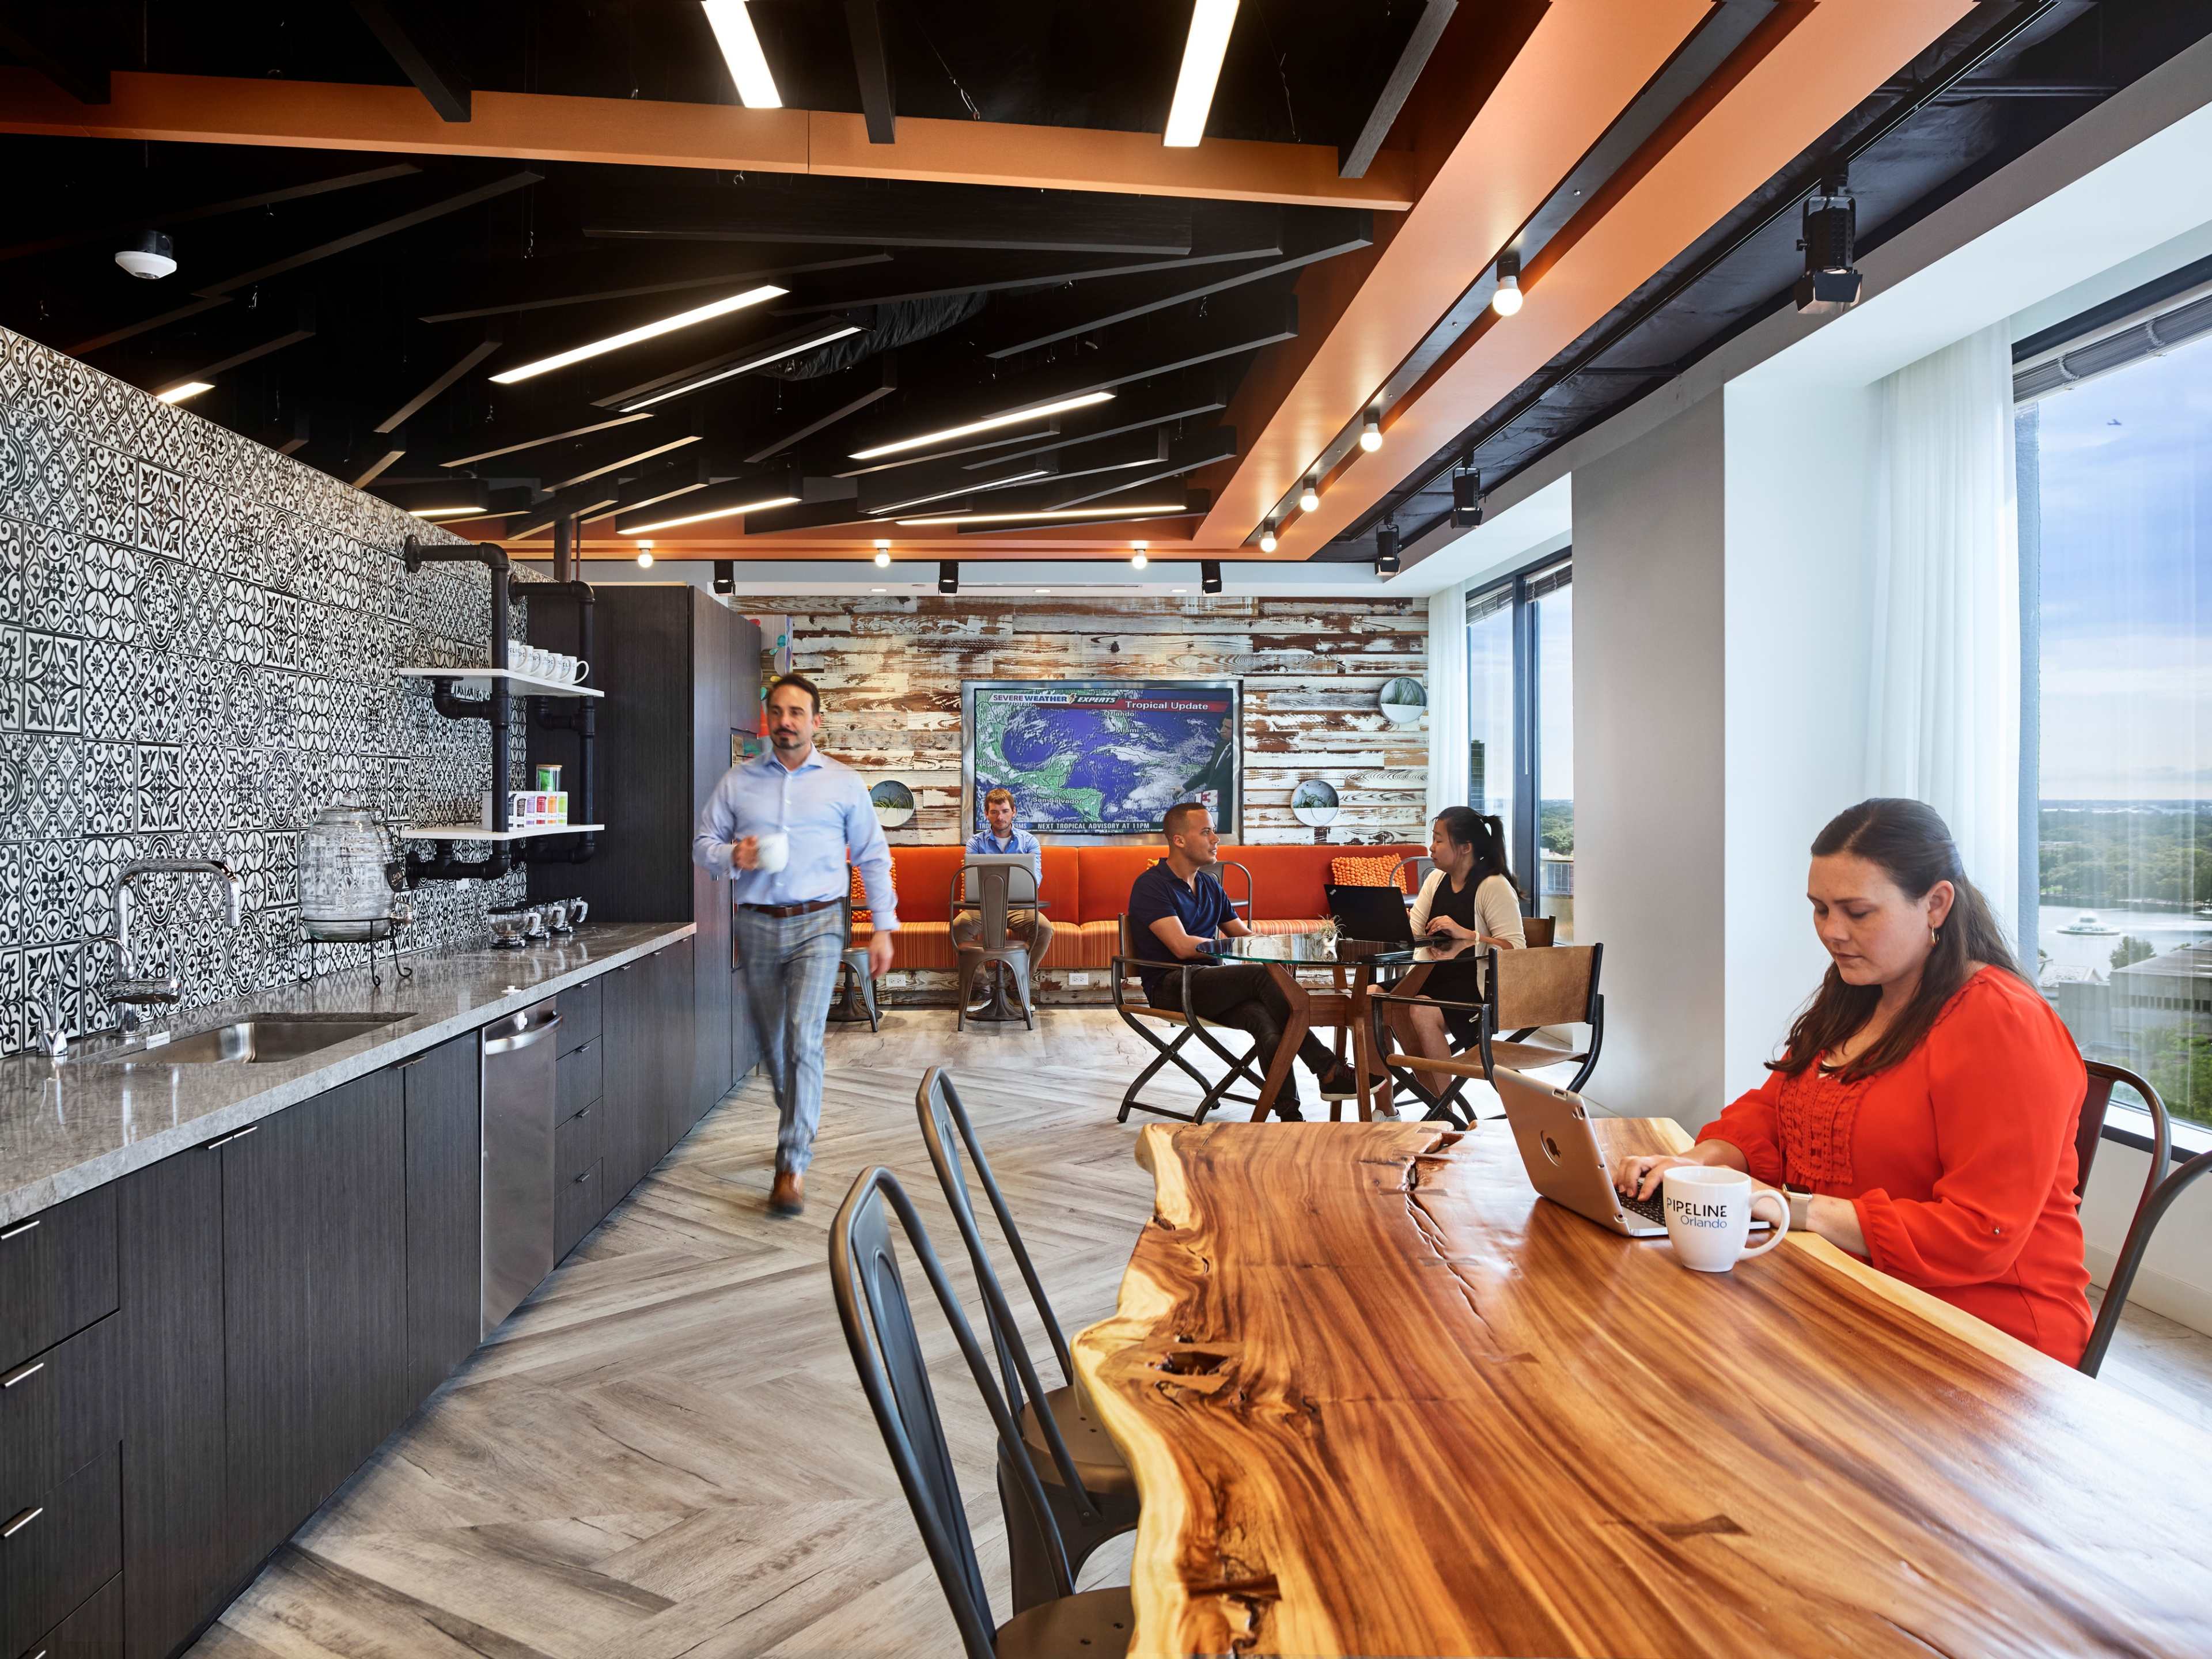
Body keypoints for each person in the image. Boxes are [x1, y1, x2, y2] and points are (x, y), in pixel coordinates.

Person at [1613, 798, 2093, 1365]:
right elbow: (1782, 1105)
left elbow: (1979, 1232)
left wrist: (1793, 1209)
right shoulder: (1862, 989)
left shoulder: (2001, 1023)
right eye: (1819, 909)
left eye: (1857, 912)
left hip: (1980, 1329)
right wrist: (1704, 1161)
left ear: (1936, 903)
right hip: (1842, 1281)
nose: (1831, 933)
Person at [692, 673, 897, 1217]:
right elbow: (702, 843)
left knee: (804, 1039)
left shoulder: (843, 783)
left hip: (820, 923)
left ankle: (792, 1163)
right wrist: (729, 857)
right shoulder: (737, 782)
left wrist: (883, 927)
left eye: (797, 713)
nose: (786, 721)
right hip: (756, 923)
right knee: (773, 1045)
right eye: (778, 712)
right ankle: (796, 1113)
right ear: (769, 719)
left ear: (815, 721)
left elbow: (874, 856)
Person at [1129, 802, 1357, 1120]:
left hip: (1211, 985)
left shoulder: (1209, 884)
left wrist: (1287, 945)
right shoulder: (1151, 885)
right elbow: (1181, 947)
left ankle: (1290, 1116)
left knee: (1266, 1021)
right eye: (1206, 831)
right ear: (1179, 840)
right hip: (1172, 985)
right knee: (1262, 978)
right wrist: (1244, 951)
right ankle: (1327, 1067)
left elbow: (1243, 935)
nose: (1216, 839)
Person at [1392, 808, 1526, 1109]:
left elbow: (1516, 950)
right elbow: (1412, 934)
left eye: (1439, 840)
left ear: (1465, 847)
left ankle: (1444, 1114)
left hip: (1476, 991)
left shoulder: (1493, 886)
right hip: (1430, 980)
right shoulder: (1435, 880)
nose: (1431, 847)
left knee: (1420, 1011)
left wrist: (1469, 934)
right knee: (1370, 998)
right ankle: (1385, 1109)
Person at [953, 787, 1055, 997]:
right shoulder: (976, 843)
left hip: (1018, 907)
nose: (1000, 817)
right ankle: (981, 986)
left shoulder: (1029, 842)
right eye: (994, 812)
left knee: (1044, 929)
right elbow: (970, 879)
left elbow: (1035, 880)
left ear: (1014, 812)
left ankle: (1018, 985)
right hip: (983, 908)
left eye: (1005, 811)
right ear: (986, 814)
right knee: (958, 926)